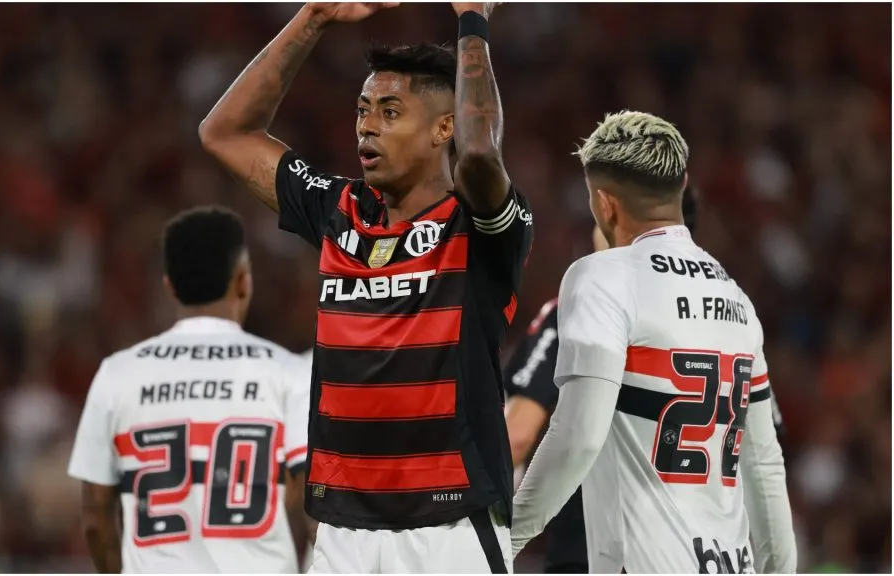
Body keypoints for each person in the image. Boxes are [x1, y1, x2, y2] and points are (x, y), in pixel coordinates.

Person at [199, 2, 531, 573]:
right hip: (342, 534)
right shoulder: (339, 210)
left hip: (450, 530)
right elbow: (224, 132)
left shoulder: (477, 227)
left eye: (390, 111)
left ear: (443, 128)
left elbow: (479, 154)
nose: (367, 125)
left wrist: (473, 19)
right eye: (363, 110)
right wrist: (313, 19)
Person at [510, 111, 797, 573]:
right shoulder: (737, 299)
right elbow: (764, 466)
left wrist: (506, 539)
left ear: (605, 204)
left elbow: (579, 437)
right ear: (682, 185)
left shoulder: (603, 276)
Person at [67, 207, 313, 573]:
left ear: (170, 287)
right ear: (243, 281)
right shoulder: (289, 373)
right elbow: (317, 510)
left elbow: (94, 522)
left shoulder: (116, 374)